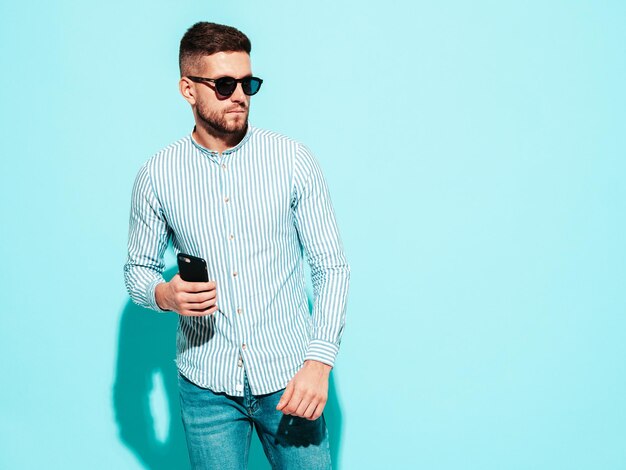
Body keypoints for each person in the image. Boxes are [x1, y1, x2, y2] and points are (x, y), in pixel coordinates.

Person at [123, 21, 350, 470]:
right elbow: (137, 270)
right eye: (224, 85)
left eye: (248, 83)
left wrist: (319, 363)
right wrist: (163, 294)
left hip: (291, 379)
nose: (240, 96)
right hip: (206, 387)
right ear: (188, 89)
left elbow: (332, 266)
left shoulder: (292, 161)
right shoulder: (157, 176)